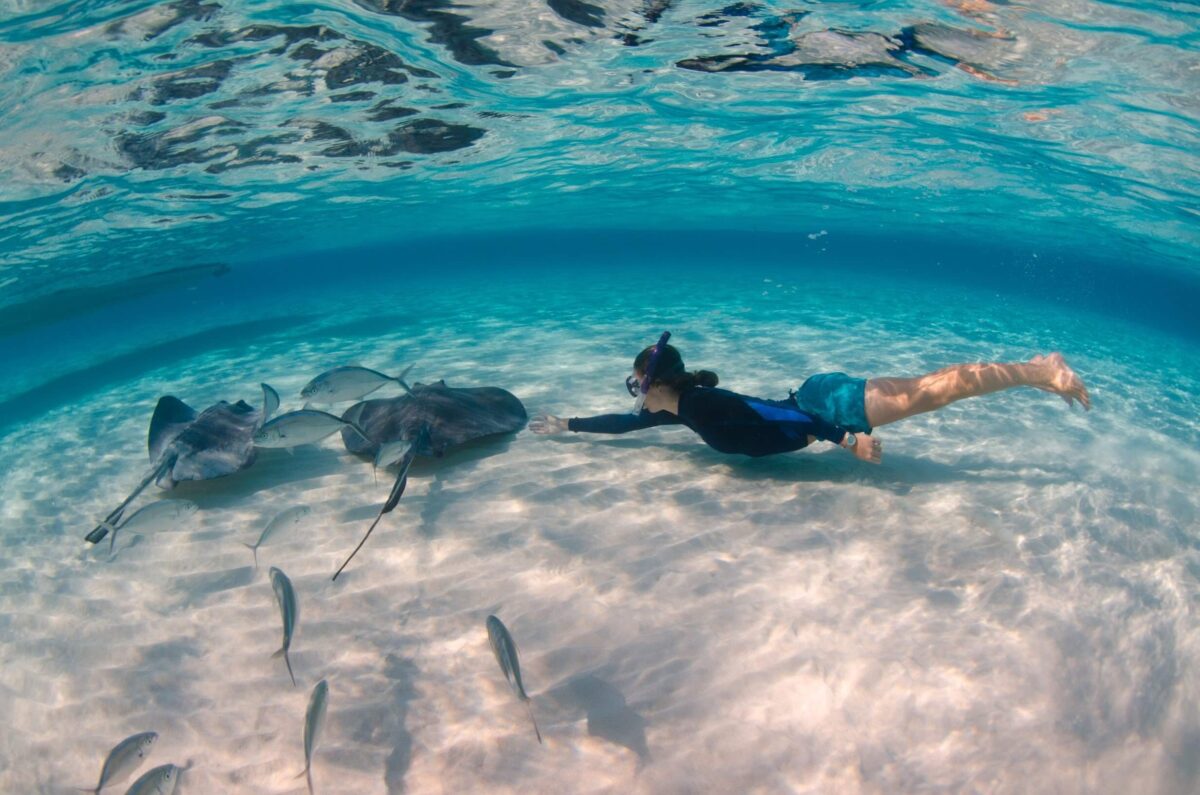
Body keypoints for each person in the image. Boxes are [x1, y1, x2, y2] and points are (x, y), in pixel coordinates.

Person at [528, 332, 1090, 464]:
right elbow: (626, 426)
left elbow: (774, 415)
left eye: (635, 388)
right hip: (819, 397)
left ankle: (1042, 370)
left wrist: (845, 439)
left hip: (828, 406)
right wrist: (570, 425)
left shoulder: (699, 407)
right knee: (928, 387)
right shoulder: (679, 407)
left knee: (934, 391)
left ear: (656, 386)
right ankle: (1037, 370)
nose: (633, 400)